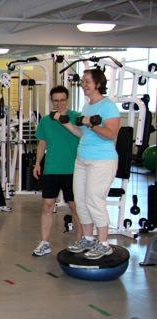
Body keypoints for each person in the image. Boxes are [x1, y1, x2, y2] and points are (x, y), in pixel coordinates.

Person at [54, 68, 120, 260]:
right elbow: (82, 133)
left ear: (98, 84)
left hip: (102, 160)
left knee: (94, 201)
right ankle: (88, 238)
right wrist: (64, 123)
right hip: (82, 159)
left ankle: (104, 243)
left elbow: (110, 134)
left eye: (87, 81)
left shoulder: (108, 106)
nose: (83, 85)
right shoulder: (87, 106)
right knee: (80, 202)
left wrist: (92, 124)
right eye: (82, 81)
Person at [32, 85, 82, 257]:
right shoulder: (46, 120)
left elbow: (82, 135)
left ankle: (80, 243)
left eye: (62, 100)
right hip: (51, 169)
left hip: (72, 169)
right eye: (55, 101)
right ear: (51, 101)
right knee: (47, 206)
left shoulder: (77, 118)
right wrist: (37, 163)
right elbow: (42, 143)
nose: (59, 104)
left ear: (67, 100)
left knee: (75, 207)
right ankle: (45, 242)